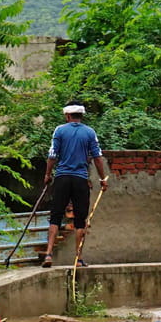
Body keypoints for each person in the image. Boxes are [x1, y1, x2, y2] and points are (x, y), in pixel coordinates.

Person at [41, 103, 110, 269]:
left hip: (62, 178)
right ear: (81, 116)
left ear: (67, 116)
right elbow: (97, 157)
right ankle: (78, 259)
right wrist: (102, 179)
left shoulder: (60, 130)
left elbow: (52, 155)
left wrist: (47, 175)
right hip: (80, 180)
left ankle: (48, 254)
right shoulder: (90, 132)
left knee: (56, 216)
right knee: (80, 220)